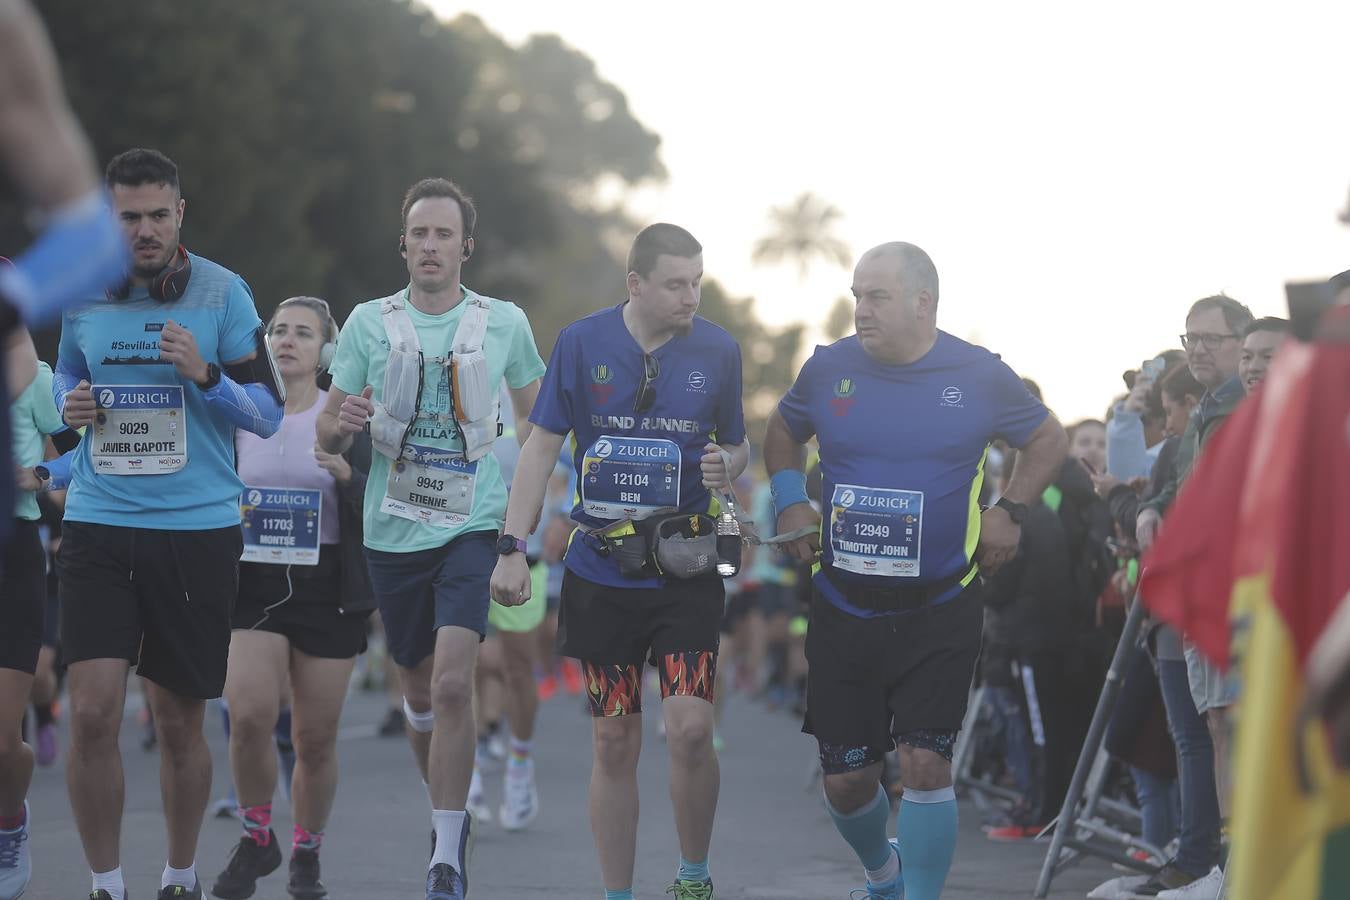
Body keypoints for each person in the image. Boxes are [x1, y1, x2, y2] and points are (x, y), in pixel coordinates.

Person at [762, 242, 1067, 900]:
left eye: (876, 297)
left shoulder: (980, 375)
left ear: (923, 303)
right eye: (856, 296)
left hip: (941, 605)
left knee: (926, 764)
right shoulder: (828, 369)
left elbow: (1047, 438)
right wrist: (789, 500)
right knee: (848, 781)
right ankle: (883, 875)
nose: (860, 311)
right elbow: (782, 433)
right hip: (844, 603)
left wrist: (1009, 509)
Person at [490, 223, 749, 900]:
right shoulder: (581, 342)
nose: (690, 295)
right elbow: (541, 448)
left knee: (691, 729)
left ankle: (693, 877)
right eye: (675, 283)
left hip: (685, 569)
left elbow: (738, 448)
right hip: (603, 572)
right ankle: (619, 894)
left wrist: (730, 464)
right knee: (614, 741)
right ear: (635, 284)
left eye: (696, 281)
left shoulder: (719, 349)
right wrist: (512, 548)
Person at [52, 148, 283, 900]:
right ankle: (105, 884)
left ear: (179, 214)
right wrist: (70, 409)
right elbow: (65, 380)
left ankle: (179, 876)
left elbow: (270, 415)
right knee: (90, 713)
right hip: (97, 523)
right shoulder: (83, 294)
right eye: (129, 217)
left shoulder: (223, 294)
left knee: (179, 721)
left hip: (195, 533)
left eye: (158, 214)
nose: (144, 230)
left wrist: (207, 377)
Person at [318, 177, 545, 900]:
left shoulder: (503, 323)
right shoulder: (365, 324)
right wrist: (342, 423)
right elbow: (324, 425)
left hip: (471, 526)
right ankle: (444, 799)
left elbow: (539, 427)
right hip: (391, 532)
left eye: (444, 234)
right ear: (404, 244)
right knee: (417, 690)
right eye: (420, 233)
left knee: (453, 682)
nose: (430, 245)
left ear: (465, 247)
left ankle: (446, 851)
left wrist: (518, 533)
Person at [210, 297, 375, 900]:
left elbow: (381, 495)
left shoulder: (347, 417)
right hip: (252, 579)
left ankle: (307, 850)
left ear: (326, 349)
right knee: (248, 715)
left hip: (326, 584)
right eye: (278, 330)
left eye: (303, 333)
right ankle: (257, 837)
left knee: (313, 738)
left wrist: (347, 476)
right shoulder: (243, 412)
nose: (287, 341)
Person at [0, 360, 79, 900]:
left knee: (3, 743)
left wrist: (43, 475)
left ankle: (10, 824)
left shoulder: (31, 376)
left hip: (14, 556)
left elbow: (79, 447)